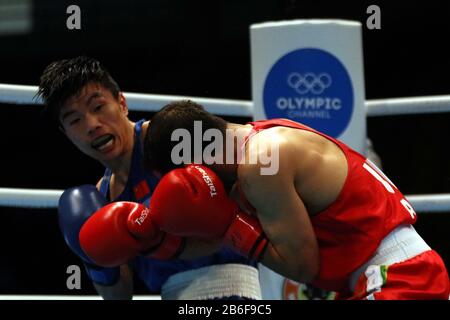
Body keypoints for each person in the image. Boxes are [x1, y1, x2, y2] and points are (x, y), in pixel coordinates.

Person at [139, 99, 450, 299]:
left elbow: (302, 265)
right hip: (387, 275)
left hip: (397, 279)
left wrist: (228, 225)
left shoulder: (260, 164)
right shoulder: (265, 135)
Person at [37, 57, 261, 300]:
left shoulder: (171, 136)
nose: (92, 125)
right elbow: (118, 296)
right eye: (75, 120)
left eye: (98, 107)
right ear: (66, 133)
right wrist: (93, 259)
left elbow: (255, 159)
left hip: (238, 290)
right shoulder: (103, 199)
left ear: (121, 103)